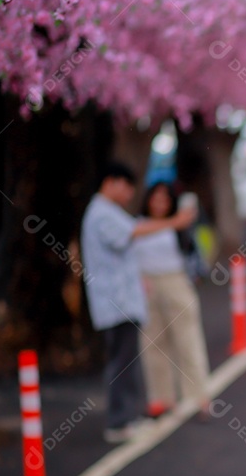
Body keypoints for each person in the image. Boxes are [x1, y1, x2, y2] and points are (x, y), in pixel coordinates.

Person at [80, 162, 195, 443]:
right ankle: (119, 422)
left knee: (126, 360)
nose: (131, 193)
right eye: (127, 185)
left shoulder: (105, 211)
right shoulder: (101, 213)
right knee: (122, 362)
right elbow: (132, 232)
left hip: (123, 300)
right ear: (111, 182)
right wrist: (174, 222)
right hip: (117, 302)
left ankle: (128, 418)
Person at [132, 183, 212, 419]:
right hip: (147, 284)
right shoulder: (138, 225)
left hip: (175, 281)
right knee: (152, 342)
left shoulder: (181, 225)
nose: (159, 204)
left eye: (164, 200)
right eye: (155, 199)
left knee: (187, 340)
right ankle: (160, 397)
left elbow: (196, 251)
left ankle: (198, 397)